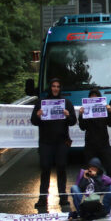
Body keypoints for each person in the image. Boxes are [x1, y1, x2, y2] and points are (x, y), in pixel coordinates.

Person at [30, 78, 77, 208]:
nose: (55, 88)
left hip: (62, 142)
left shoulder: (66, 103)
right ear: (50, 88)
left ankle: (63, 197)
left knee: (61, 167)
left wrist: (68, 115)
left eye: (58, 86)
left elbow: (73, 121)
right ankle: (43, 199)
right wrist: (37, 115)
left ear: (60, 88)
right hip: (46, 142)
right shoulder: (41, 102)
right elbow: (33, 121)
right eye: (53, 86)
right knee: (45, 168)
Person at [78, 88, 111, 185]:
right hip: (90, 145)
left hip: (104, 144)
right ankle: (90, 188)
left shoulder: (104, 110)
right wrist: (81, 115)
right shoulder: (86, 111)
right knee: (89, 169)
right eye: (91, 99)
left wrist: (110, 112)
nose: (93, 101)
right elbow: (82, 127)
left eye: (96, 99)